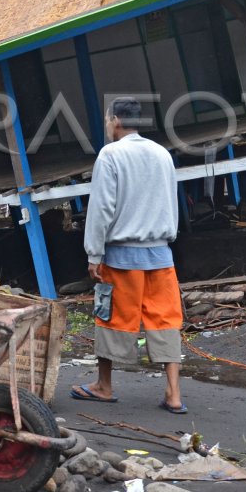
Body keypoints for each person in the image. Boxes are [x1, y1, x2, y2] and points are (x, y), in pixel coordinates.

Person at [70, 96, 185, 413]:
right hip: (161, 254)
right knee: (165, 320)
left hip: (122, 256)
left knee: (110, 317)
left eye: (108, 120)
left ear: (115, 120)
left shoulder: (111, 155)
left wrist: (94, 253)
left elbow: (101, 209)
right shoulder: (162, 154)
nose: (107, 125)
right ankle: (173, 394)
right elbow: (170, 202)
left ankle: (104, 386)